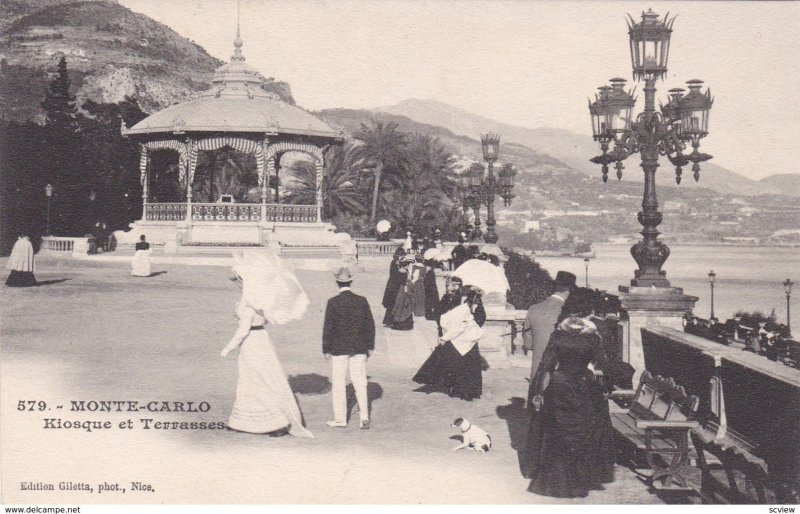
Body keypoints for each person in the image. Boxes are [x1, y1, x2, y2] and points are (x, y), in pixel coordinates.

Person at [220, 251, 314, 438]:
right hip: (262, 339)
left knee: (258, 380)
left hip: (252, 342)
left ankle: (277, 421)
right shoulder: (262, 299)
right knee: (259, 379)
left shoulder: (250, 301)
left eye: (239, 281)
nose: (238, 284)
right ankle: (244, 420)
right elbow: (262, 319)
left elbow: (243, 330)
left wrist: (227, 348)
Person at [522, 311, 614, 498]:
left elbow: (545, 366)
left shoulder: (558, 337)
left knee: (557, 432)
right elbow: (604, 364)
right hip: (584, 386)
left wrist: (538, 392)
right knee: (586, 431)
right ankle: (581, 479)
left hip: (560, 385)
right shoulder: (593, 339)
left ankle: (557, 481)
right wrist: (607, 386)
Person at [323, 266, 375, 429]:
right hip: (359, 348)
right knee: (360, 383)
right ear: (351, 281)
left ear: (337, 282)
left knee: (338, 383)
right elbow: (370, 325)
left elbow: (328, 327)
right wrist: (370, 346)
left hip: (339, 348)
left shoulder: (333, 302)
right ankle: (364, 417)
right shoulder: (362, 300)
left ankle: (340, 419)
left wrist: (326, 348)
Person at [412, 286, 485, 401]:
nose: (478, 304)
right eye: (477, 301)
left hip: (467, 342)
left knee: (465, 367)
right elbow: (458, 327)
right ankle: (464, 392)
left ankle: (465, 391)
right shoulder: (464, 311)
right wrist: (446, 337)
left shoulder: (467, 309)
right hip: (461, 342)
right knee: (462, 367)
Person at [523, 271, 576, 405]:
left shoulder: (533, 309)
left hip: (538, 371)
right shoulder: (569, 312)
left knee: (537, 412)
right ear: (570, 289)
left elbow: (528, 343)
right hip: (561, 371)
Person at [381, 247, 407, 326]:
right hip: (393, 287)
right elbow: (394, 275)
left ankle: (393, 320)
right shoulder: (394, 263)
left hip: (396, 286)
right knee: (392, 304)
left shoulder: (399, 263)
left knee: (395, 304)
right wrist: (401, 272)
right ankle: (389, 321)